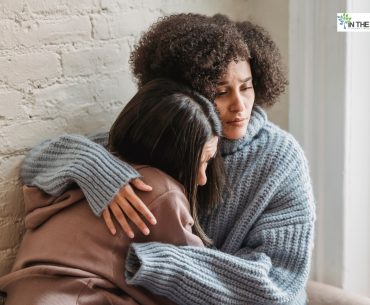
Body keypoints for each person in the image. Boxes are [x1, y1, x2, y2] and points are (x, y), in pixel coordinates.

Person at [20, 13, 315, 305]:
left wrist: (160, 262)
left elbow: (280, 286)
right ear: (188, 93)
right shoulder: (169, 134)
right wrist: (97, 170)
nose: (240, 106)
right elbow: (36, 163)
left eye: (246, 87)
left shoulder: (281, 159)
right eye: (221, 92)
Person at [0, 79, 223, 305]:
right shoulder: (160, 191)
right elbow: (198, 282)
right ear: (172, 155)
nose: (202, 179)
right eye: (202, 162)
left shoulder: (94, 160)